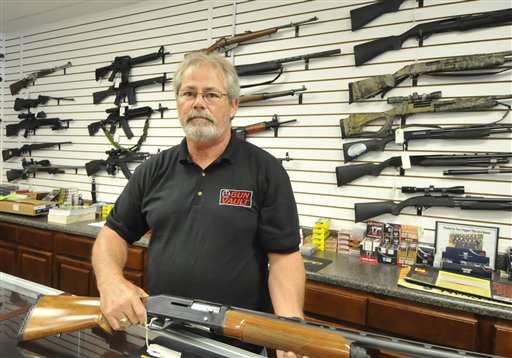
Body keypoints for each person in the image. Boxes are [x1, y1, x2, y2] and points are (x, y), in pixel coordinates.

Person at [91, 52, 306, 357]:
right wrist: (110, 281)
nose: (198, 103)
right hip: (164, 334)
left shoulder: (266, 171)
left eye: (211, 94)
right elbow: (112, 234)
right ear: (178, 102)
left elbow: (284, 258)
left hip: (237, 342)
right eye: (189, 93)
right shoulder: (153, 169)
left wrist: (289, 325)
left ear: (233, 105)